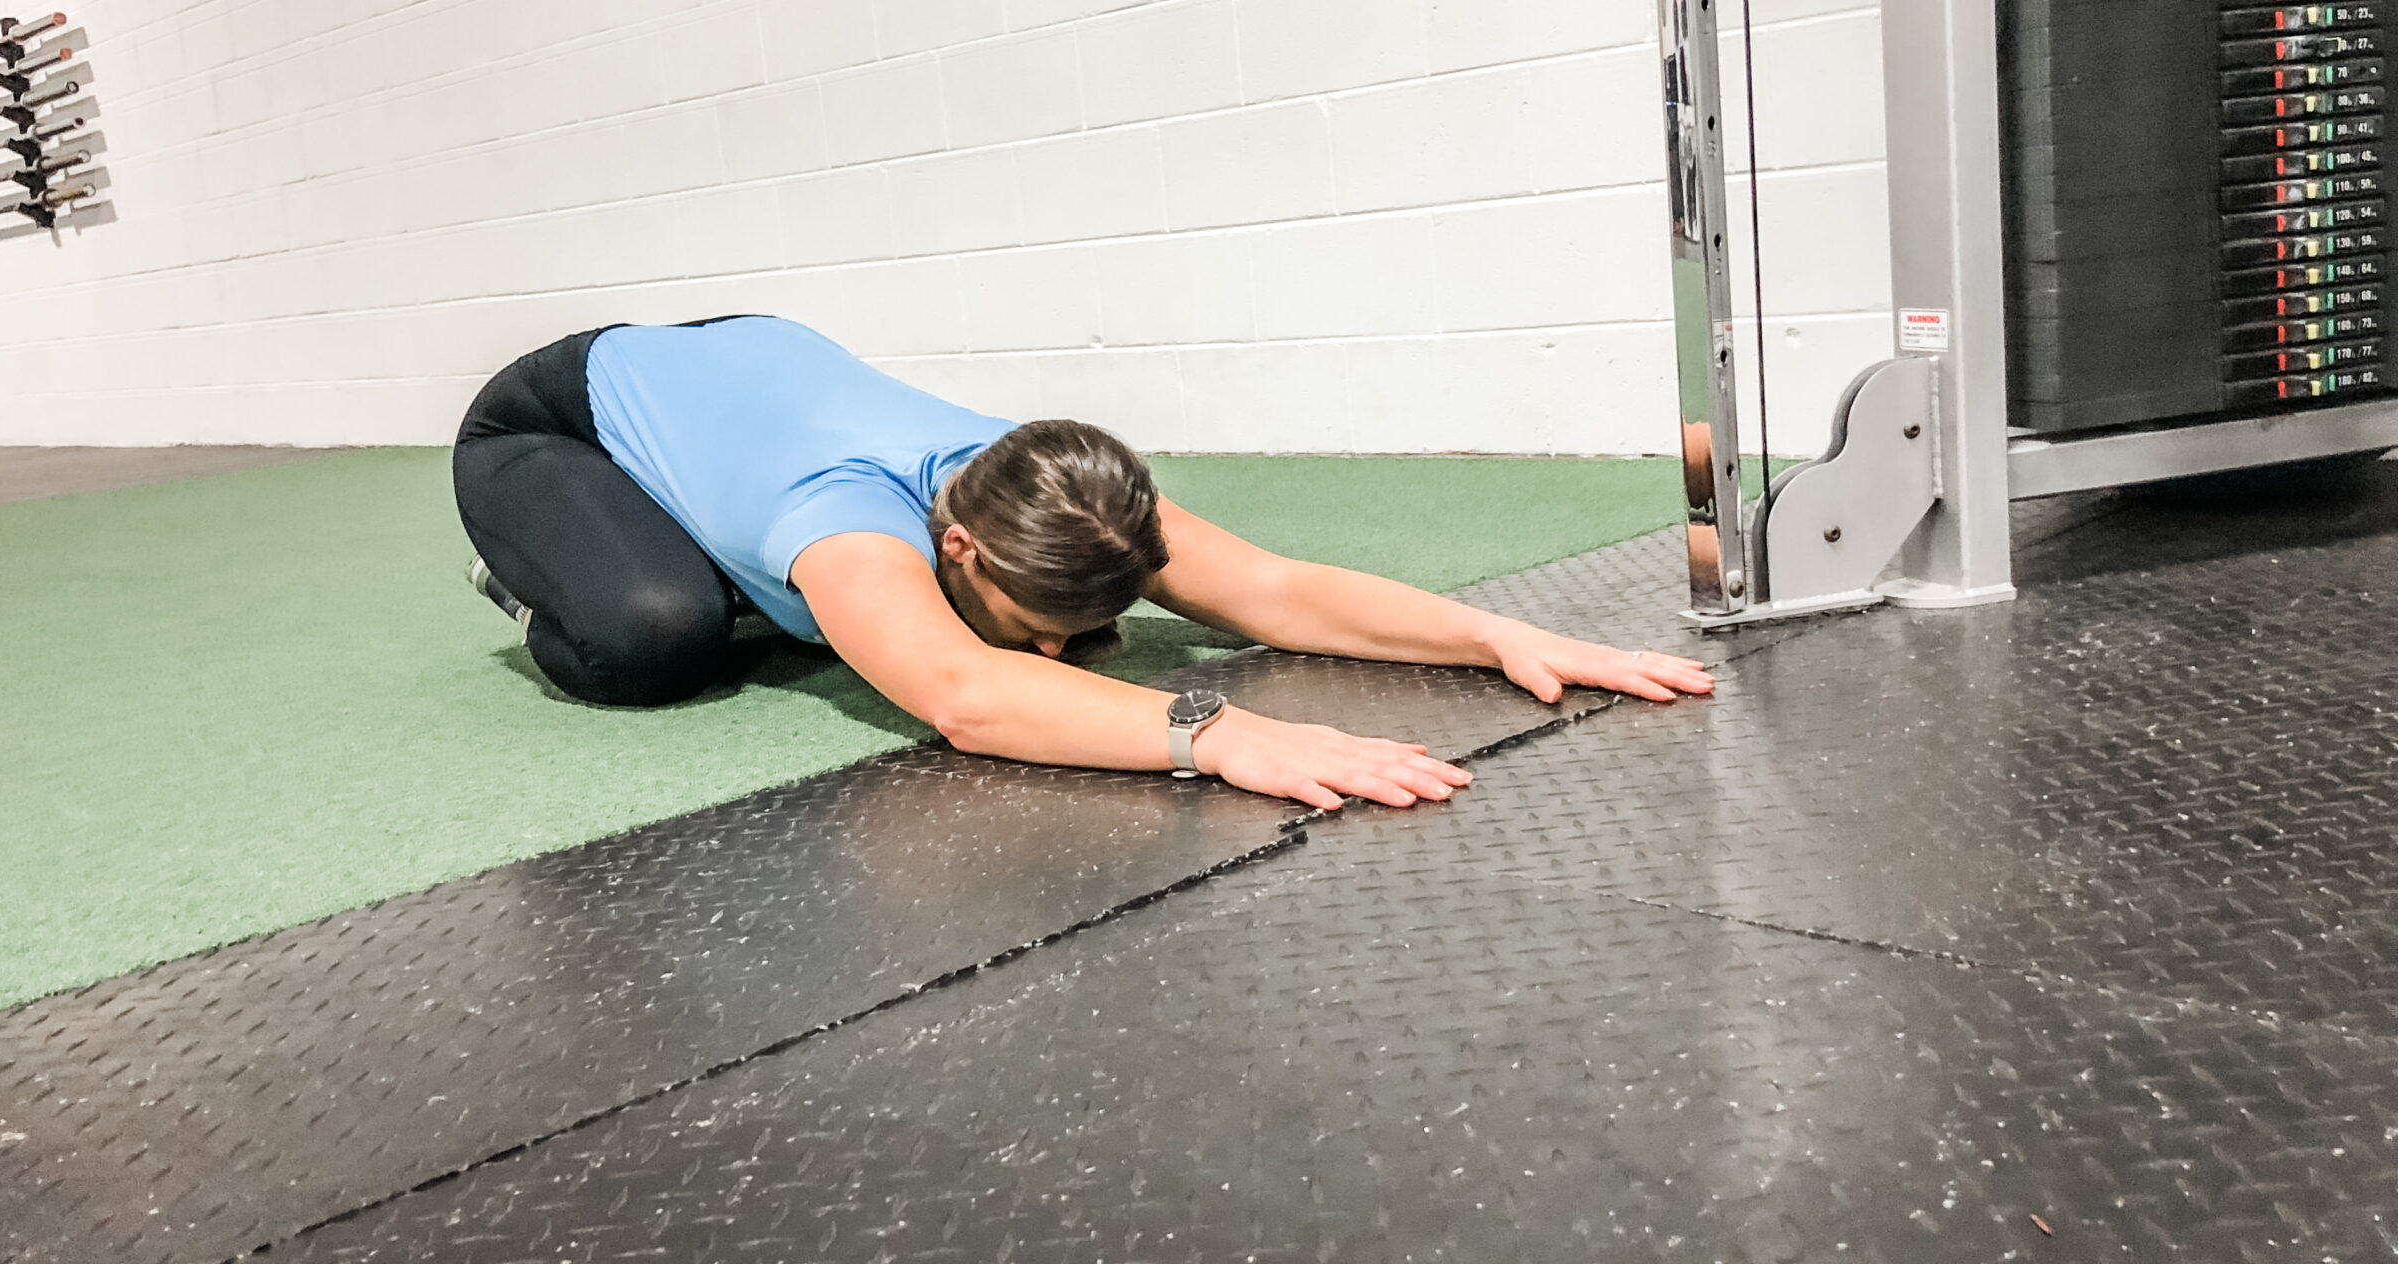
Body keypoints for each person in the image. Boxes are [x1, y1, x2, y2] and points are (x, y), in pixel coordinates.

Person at [453, 316, 1713, 812]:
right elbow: (967, 698)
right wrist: (1220, 732)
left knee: (835, 619)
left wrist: (1492, 634)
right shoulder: (843, 519)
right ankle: (544, 567)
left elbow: (1269, 588)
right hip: (553, 423)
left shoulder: (1056, 489)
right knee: (654, 635)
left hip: (738, 375)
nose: (1058, 649)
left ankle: (715, 555)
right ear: (953, 543)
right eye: (1035, 621)